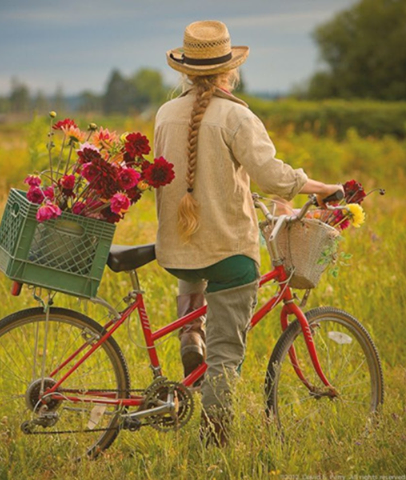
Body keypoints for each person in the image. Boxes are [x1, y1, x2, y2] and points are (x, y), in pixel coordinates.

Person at [153, 20, 342, 446]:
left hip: (176, 250)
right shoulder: (236, 116)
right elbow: (273, 176)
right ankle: (215, 444)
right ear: (228, 71)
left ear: (185, 71)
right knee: (227, 354)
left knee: (196, 269)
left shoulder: (165, 114)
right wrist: (321, 188)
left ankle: (190, 334)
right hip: (227, 251)